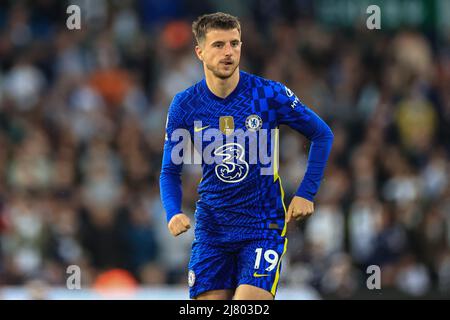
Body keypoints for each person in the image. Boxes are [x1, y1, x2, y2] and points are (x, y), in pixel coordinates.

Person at [159, 12, 333, 300]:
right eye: (218, 45)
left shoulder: (268, 94)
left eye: (234, 43)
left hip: (262, 226)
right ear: (199, 52)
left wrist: (306, 192)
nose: (228, 52)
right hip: (213, 230)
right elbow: (170, 171)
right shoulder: (185, 105)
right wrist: (173, 211)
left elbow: (322, 134)